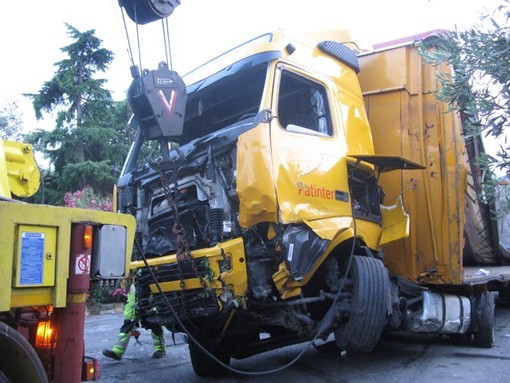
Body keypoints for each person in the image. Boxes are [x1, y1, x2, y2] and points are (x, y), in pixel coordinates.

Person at [102, 282, 166, 360]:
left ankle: (160, 349)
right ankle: (117, 352)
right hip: (137, 302)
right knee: (127, 326)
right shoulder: (135, 281)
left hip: (148, 299)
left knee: (155, 325)